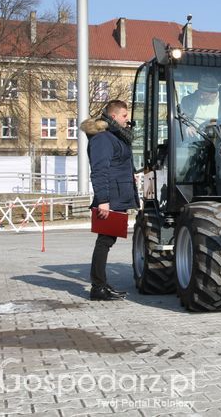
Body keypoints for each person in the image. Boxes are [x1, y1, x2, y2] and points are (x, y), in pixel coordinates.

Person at [81, 99, 140, 301]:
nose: (127, 119)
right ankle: (98, 287)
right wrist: (103, 200)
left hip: (118, 196)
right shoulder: (103, 138)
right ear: (113, 116)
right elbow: (99, 170)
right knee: (104, 241)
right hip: (111, 198)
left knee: (107, 240)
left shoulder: (115, 137)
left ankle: (101, 284)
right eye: (124, 115)